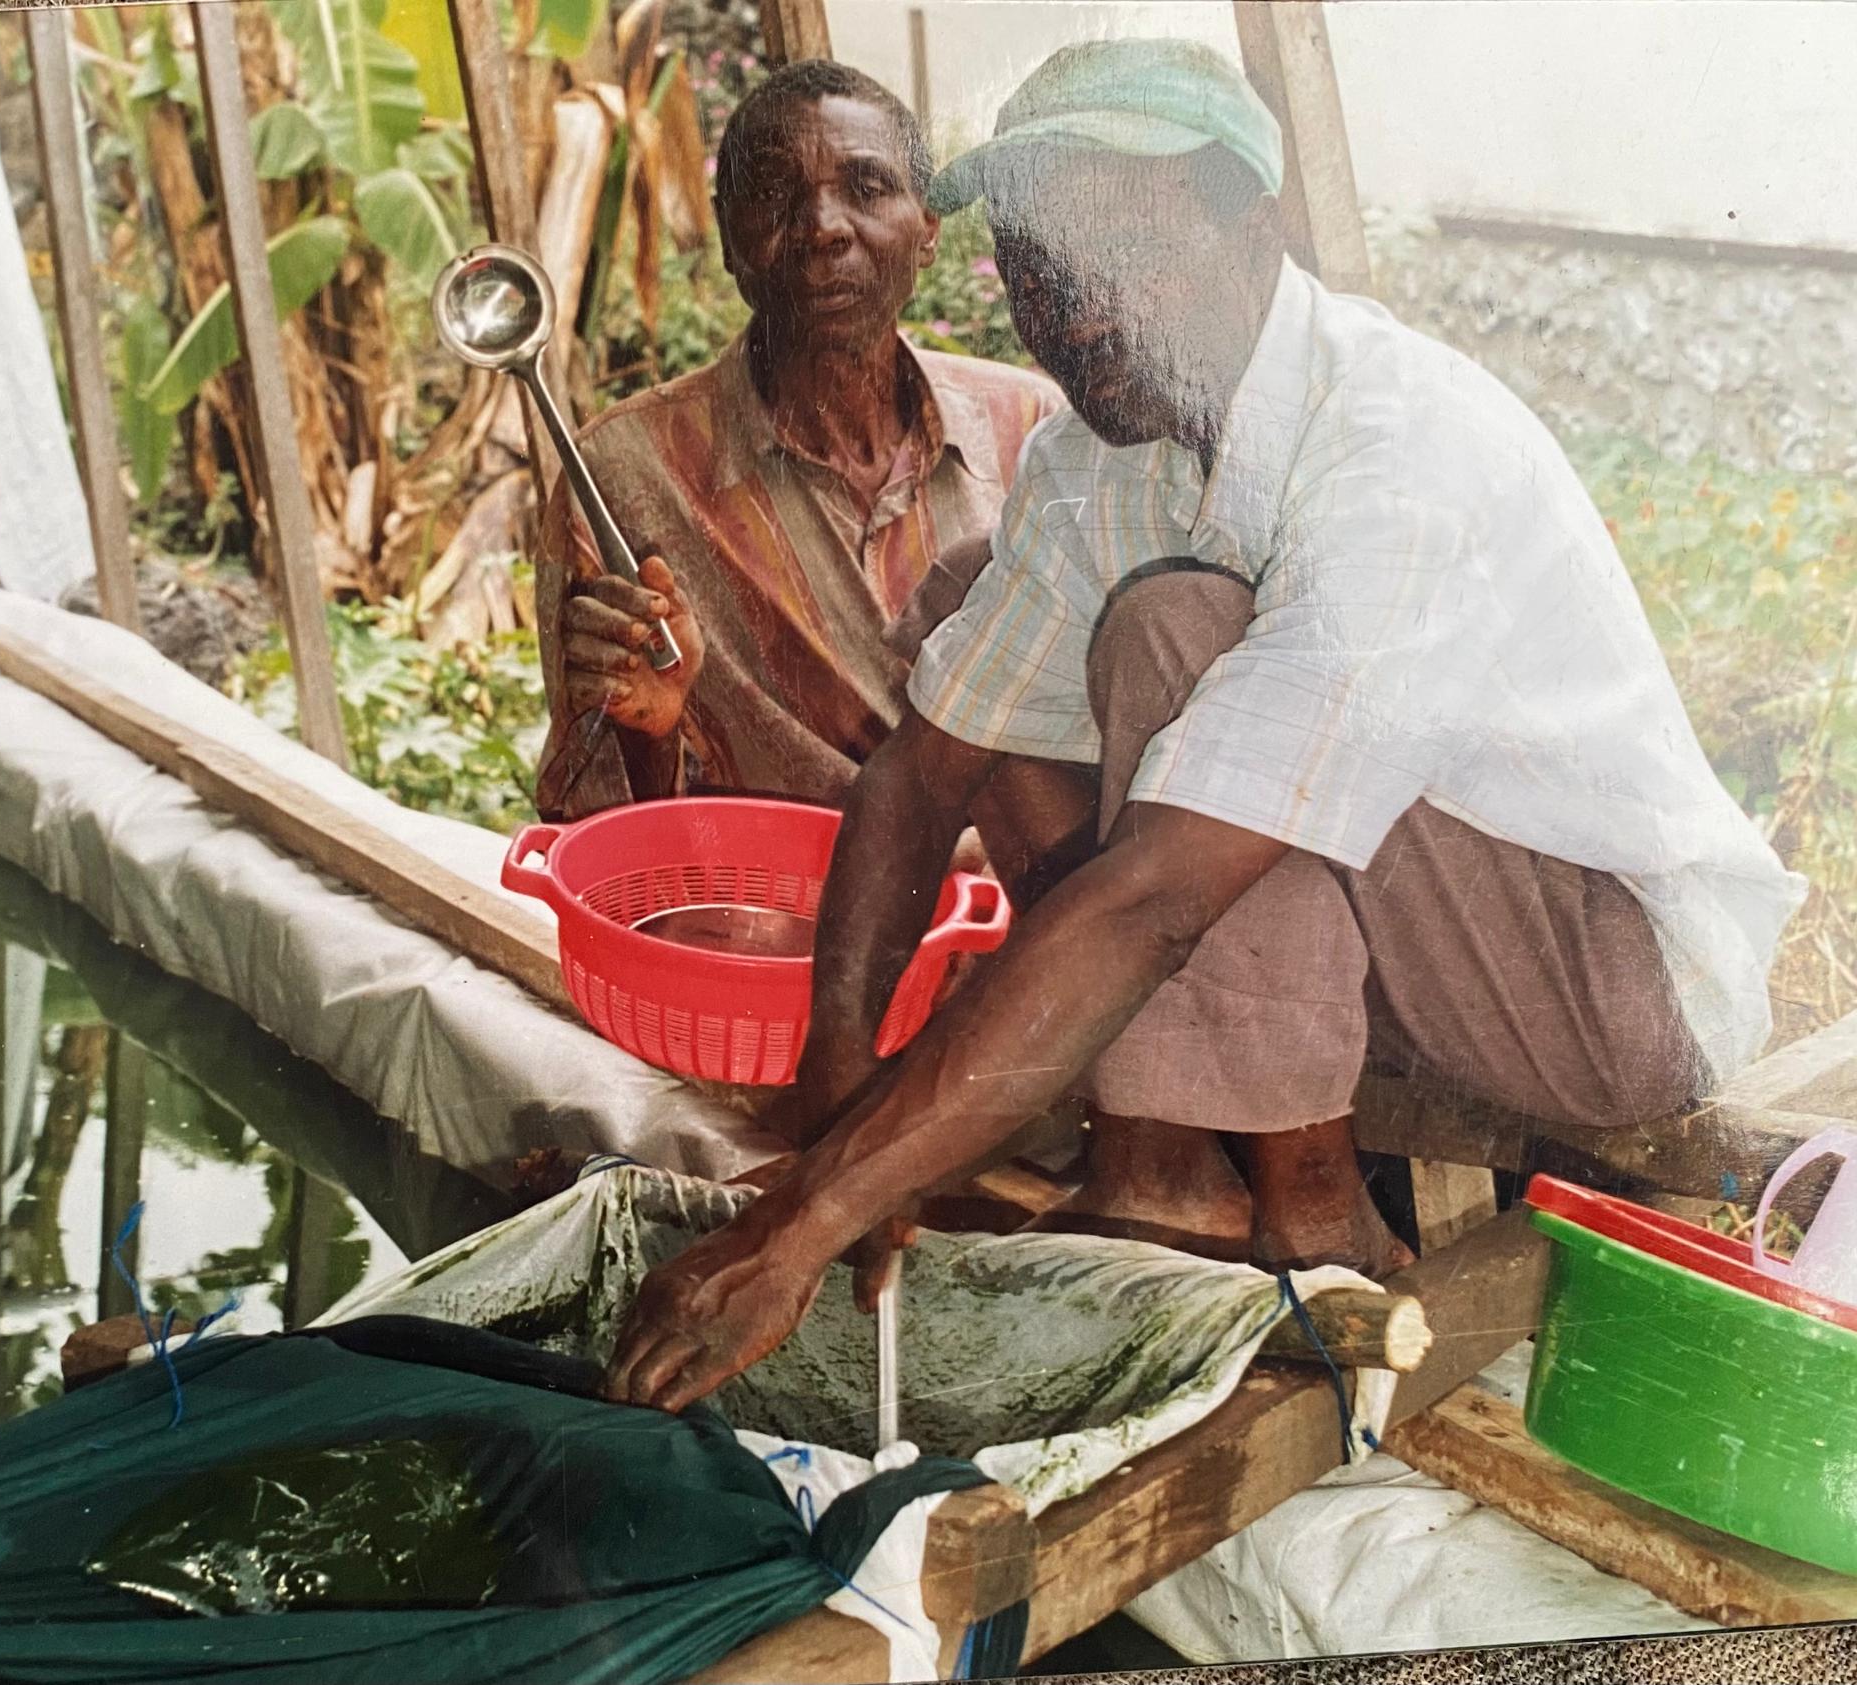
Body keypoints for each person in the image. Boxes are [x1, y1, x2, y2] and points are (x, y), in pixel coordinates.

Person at [602, 38, 1807, 1415]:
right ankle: (1167, 1161)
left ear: (1253, 228)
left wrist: (807, 1226)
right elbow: (920, 776)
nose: (1074, 308)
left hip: (1601, 992)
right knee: (1008, 623)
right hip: (1406, 958)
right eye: (1039, 263)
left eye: (1123, 248)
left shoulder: (1395, 451)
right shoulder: (1102, 451)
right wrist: (836, 1101)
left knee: (1185, 639)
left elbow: (1159, 900)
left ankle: (1309, 1215)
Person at [532, 59, 1061, 839]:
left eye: (868, 187)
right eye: (777, 195)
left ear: (929, 230)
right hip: (774, 930)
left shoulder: (1030, 427)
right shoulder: (620, 476)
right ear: (727, 238)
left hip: (1021, 921)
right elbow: (600, 835)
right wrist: (650, 731)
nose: (823, 228)